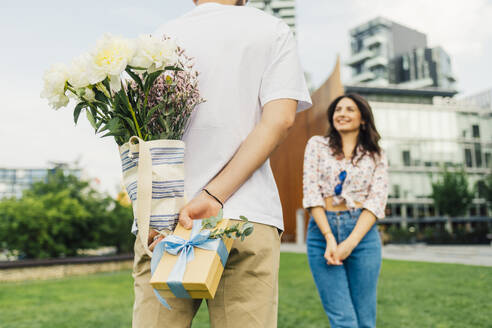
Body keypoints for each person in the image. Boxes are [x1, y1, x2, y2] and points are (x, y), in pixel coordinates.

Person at [132, 1, 312, 327]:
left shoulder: (159, 38)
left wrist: (151, 210)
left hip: (169, 220)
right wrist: (215, 196)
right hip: (246, 213)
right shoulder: (271, 30)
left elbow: (138, 138)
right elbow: (280, 120)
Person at [303, 93, 388, 328]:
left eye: (350, 109)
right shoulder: (316, 145)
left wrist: (349, 243)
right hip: (322, 233)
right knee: (344, 320)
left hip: (363, 234)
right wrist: (330, 238)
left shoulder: (376, 155)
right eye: (338, 109)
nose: (342, 114)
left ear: (363, 118)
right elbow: (311, 194)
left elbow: (376, 201)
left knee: (364, 320)